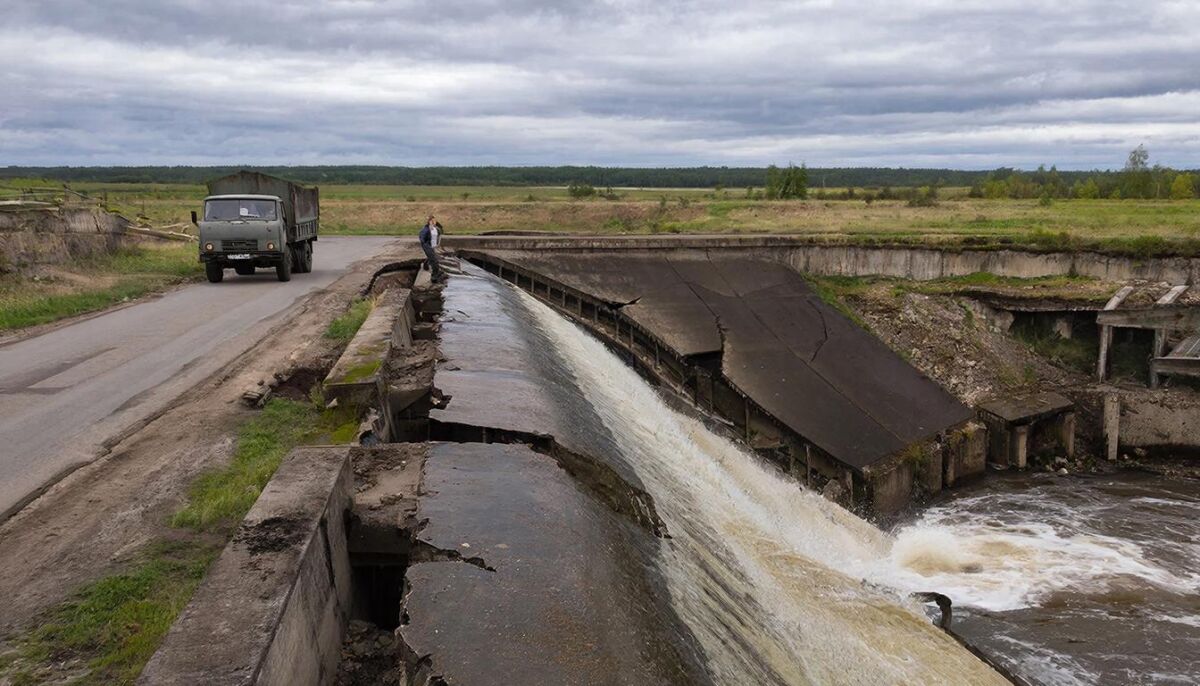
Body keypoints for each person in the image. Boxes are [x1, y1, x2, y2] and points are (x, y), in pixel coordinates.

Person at [418, 215, 444, 281]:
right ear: (429, 222)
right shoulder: (426, 229)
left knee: (431, 257)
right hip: (427, 246)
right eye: (432, 221)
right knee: (434, 260)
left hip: (432, 245)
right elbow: (422, 238)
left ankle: (425, 265)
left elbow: (441, 231)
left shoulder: (435, 228)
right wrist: (426, 245)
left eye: (435, 220)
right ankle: (434, 276)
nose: (434, 222)